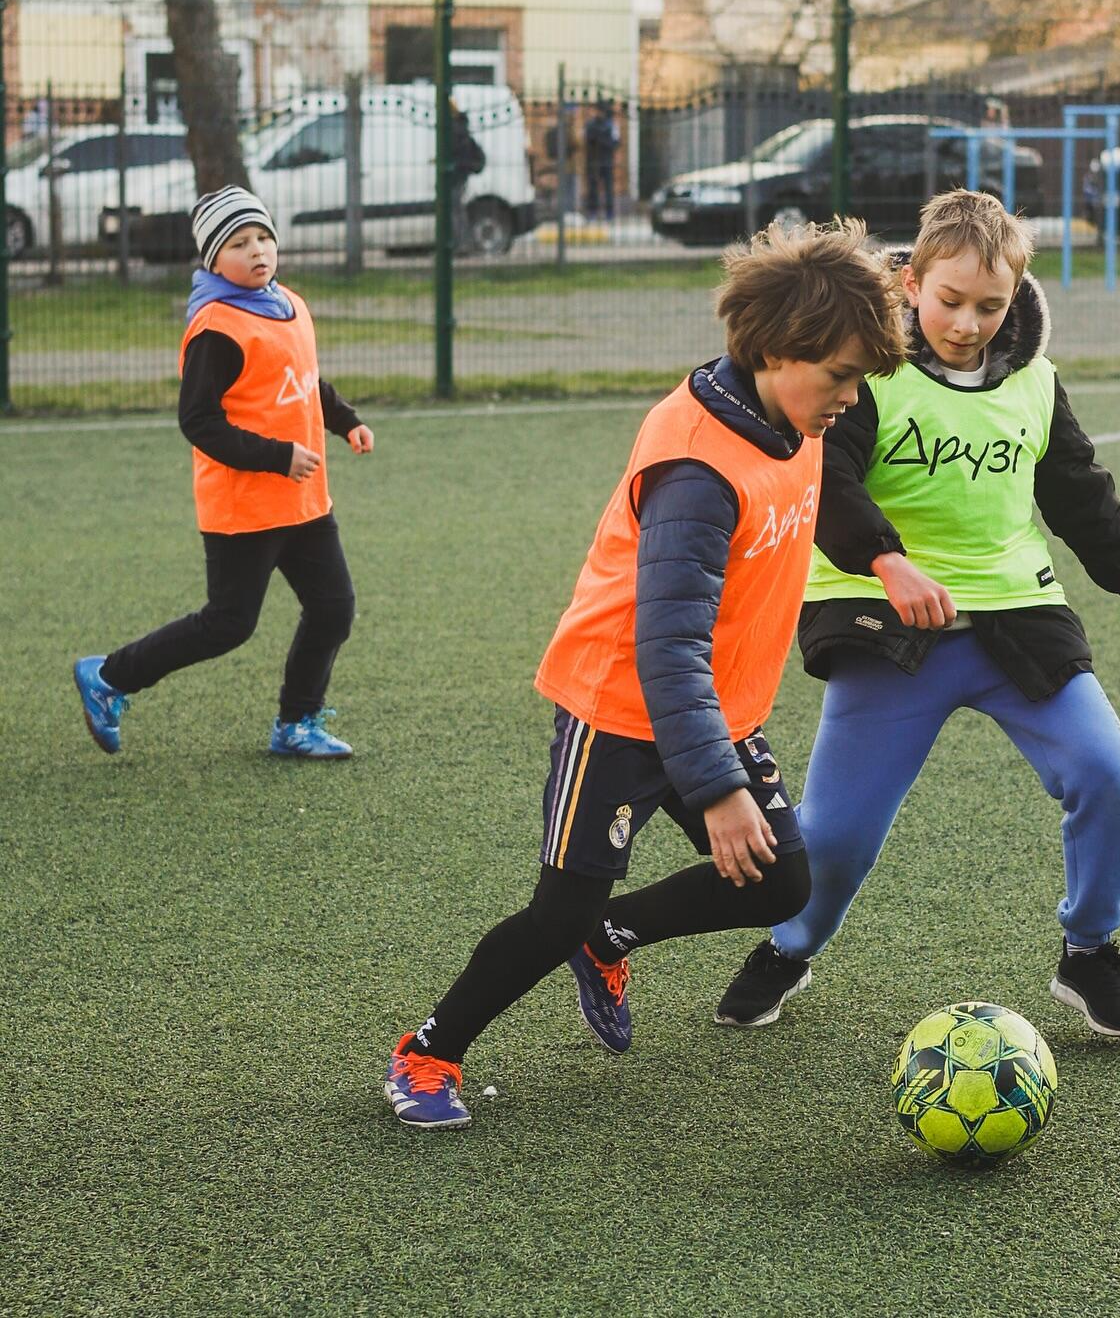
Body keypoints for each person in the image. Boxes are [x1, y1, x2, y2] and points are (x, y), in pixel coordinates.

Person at [382, 218, 909, 1128]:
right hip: (624, 705)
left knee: (783, 884)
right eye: (841, 377)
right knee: (558, 909)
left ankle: (613, 937)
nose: (850, 399)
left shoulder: (794, 412)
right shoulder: (696, 469)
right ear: (782, 350)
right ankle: (429, 1052)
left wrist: (885, 559)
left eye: (859, 378)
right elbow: (664, 645)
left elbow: (804, 508)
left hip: (714, 707)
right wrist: (717, 788)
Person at [714, 189, 1120, 1042]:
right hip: (887, 626)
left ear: (1016, 297)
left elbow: (1082, 501)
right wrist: (887, 560)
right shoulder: (866, 377)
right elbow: (826, 483)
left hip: (1019, 617)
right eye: (950, 301)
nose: (968, 323)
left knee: (1103, 772)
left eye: (991, 305)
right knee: (834, 838)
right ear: (910, 283)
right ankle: (791, 948)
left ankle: (1088, 951)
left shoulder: (1037, 387)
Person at [73, 186, 374, 761]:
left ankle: (297, 722)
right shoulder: (216, 327)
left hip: (304, 502)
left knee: (334, 607)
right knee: (228, 624)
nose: (257, 250)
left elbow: (304, 380)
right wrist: (276, 456)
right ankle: (109, 676)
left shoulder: (289, 303)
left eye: (263, 237)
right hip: (245, 508)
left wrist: (345, 420)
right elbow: (199, 422)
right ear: (213, 259)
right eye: (239, 243)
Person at [447, 101, 487, 254]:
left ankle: (461, 244)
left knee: (455, 212)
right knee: (456, 211)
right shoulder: (460, 129)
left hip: (456, 176)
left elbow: (457, 154)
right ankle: (460, 243)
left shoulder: (456, 131)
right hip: (459, 176)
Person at [583, 99, 621, 220]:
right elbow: (587, 141)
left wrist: (602, 141)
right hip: (593, 161)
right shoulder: (590, 124)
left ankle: (609, 212)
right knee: (592, 187)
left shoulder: (611, 125)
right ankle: (592, 211)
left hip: (607, 160)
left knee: (608, 187)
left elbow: (616, 143)